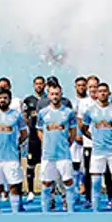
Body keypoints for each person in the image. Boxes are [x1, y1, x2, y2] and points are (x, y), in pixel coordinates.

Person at [79, 83, 112, 212]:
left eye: (104, 91)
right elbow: (84, 128)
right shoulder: (90, 111)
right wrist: (93, 138)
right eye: (100, 91)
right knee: (96, 182)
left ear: (109, 93)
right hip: (97, 151)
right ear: (96, 94)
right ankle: (96, 210)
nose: (102, 93)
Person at [0, 88, 29, 214]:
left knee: (13, 186)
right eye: (0, 98)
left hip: (11, 157)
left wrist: (16, 144)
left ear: (9, 99)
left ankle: (15, 214)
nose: (3, 100)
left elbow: (24, 133)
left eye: (5, 98)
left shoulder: (16, 115)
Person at [37, 83, 78, 213]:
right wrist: (46, 143)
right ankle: (46, 211)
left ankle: (70, 210)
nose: (55, 96)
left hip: (64, 154)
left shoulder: (68, 112)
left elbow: (72, 132)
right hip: (48, 155)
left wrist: (67, 144)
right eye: (52, 94)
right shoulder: (43, 113)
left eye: (57, 94)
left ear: (61, 94)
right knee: (46, 183)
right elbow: (39, 130)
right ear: (48, 95)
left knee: (68, 182)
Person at [20, 76, 46, 204]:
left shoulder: (48, 100)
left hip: (46, 137)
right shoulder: (28, 100)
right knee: (31, 165)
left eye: (41, 84)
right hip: (33, 138)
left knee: (47, 165)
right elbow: (24, 117)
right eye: (37, 84)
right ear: (33, 85)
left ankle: (48, 194)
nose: (39, 86)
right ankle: (30, 191)